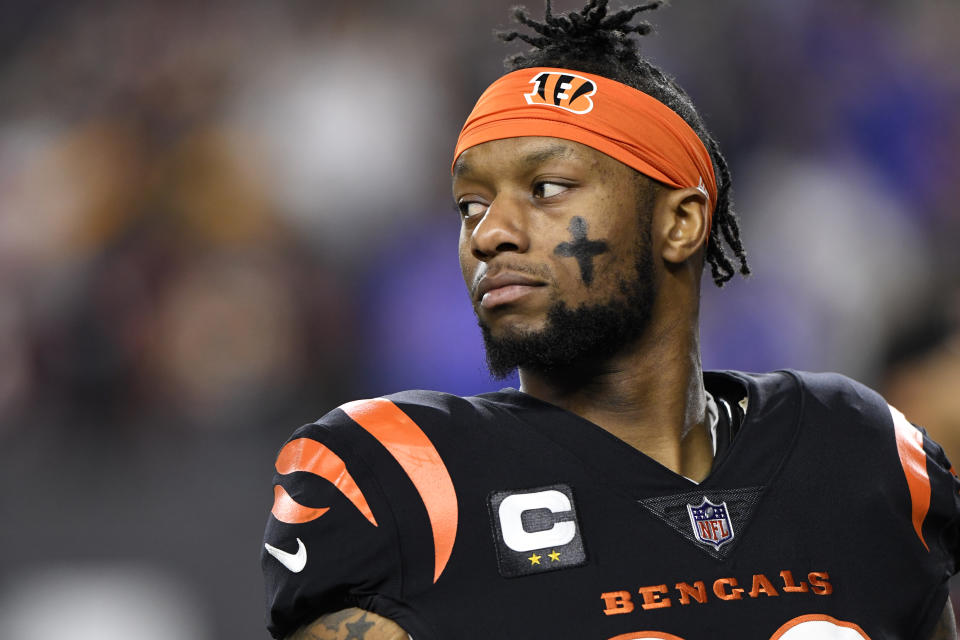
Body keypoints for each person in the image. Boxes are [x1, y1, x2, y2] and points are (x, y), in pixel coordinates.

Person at [261, 2, 960, 638]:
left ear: (680, 223)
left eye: (547, 188)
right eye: (470, 204)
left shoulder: (858, 451)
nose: (490, 232)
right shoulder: (404, 480)